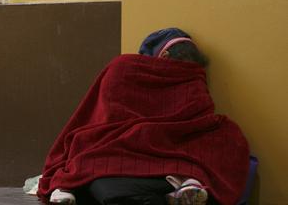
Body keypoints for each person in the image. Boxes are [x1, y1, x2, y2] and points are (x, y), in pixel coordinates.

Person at [37, 28, 249, 205]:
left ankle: (63, 188)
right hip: (176, 149)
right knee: (220, 140)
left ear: (162, 55)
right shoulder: (193, 74)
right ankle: (189, 182)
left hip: (124, 145)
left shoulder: (124, 66)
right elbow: (201, 112)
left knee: (83, 146)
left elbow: (101, 113)